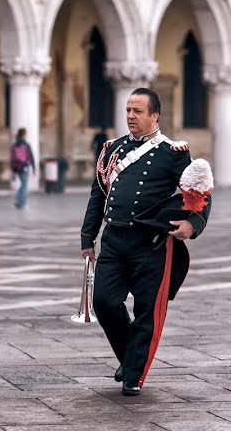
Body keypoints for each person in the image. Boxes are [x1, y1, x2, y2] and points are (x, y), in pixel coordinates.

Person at [80, 88, 211, 396]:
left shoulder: (173, 152)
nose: (130, 116)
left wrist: (192, 224)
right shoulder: (112, 149)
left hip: (151, 243)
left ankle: (134, 375)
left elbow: (199, 192)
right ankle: (130, 358)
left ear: (155, 115)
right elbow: (98, 194)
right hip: (114, 241)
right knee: (104, 301)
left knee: (147, 311)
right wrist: (89, 236)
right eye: (128, 110)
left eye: (138, 111)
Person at [10, 127, 35, 209]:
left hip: (17, 167)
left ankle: (18, 200)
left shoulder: (14, 145)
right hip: (24, 167)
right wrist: (34, 167)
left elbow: (12, 158)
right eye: (26, 134)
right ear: (23, 135)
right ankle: (22, 203)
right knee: (24, 186)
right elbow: (31, 157)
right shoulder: (26, 144)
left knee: (22, 185)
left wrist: (13, 170)